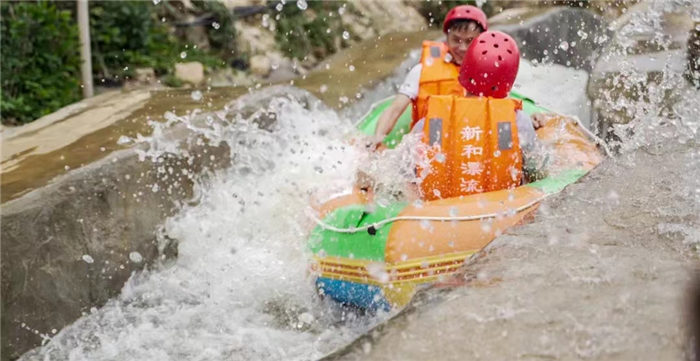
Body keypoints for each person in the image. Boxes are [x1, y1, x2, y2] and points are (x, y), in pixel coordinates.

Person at [416, 30, 547, 201]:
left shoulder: (429, 122)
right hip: (501, 214)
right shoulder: (518, 121)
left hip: (438, 217)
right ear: (508, 80)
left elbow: (401, 172)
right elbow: (538, 173)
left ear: (464, 71)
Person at [367, 5, 489, 151]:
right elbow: (394, 109)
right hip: (429, 150)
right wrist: (378, 137)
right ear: (447, 38)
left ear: (480, 41)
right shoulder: (421, 71)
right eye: (456, 40)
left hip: (469, 149)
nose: (462, 48)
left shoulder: (488, 74)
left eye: (469, 41)